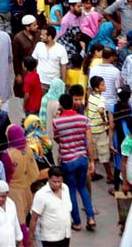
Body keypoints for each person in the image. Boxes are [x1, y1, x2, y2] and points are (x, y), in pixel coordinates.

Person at [53, 93, 97, 231]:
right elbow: (89, 141)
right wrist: (91, 160)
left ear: (61, 105)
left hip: (67, 160)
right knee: (82, 187)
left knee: (71, 189)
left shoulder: (57, 122)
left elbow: (57, 139)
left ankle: (77, 222)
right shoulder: (83, 119)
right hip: (82, 158)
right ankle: (90, 217)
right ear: (72, 103)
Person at [29, 166, 72, 247]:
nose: (57, 184)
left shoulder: (65, 188)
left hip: (65, 235)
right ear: (48, 178)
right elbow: (34, 218)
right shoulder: (41, 195)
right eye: (54, 182)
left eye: (59, 181)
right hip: (50, 239)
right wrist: (30, 240)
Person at [32, 26, 68, 93]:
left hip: (55, 84)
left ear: (49, 37)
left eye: (43, 35)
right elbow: (34, 61)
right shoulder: (39, 46)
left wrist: (63, 83)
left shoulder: (61, 49)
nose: (41, 36)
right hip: (40, 82)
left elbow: (64, 67)